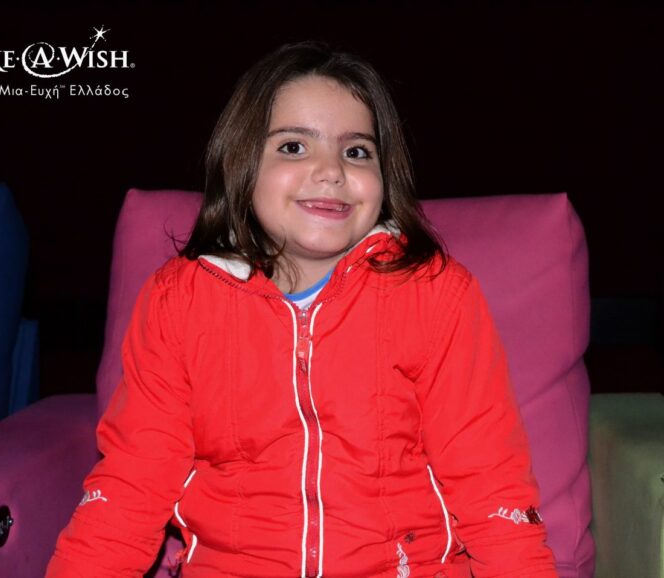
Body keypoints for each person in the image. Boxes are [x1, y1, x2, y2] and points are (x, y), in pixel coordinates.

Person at [46, 41, 557, 578]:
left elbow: (492, 488)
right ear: (242, 163)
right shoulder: (179, 302)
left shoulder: (437, 294)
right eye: (294, 147)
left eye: (357, 152)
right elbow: (131, 489)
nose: (331, 171)